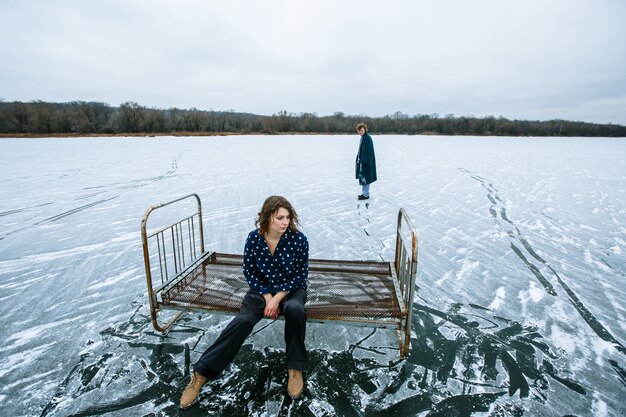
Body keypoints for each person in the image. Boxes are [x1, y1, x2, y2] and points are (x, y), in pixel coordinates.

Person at [179, 196, 310, 409]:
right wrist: (267, 296)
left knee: (295, 309)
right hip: (260, 290)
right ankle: (201, 373)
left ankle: (295, 369)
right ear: (267, 218)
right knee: (244, 320)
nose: (285, 222)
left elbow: (300, 274)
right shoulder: (254, 239)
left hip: (291, 289)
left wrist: (278, 298)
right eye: (280, 218)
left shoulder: (298, 239)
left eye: (287, 217)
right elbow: (249, 271)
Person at [355, 123, 377, 200]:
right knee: (363, 178)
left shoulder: (367, 138)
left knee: (366, 178)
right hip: (362, 161)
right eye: (359, 131)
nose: (360, 132)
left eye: (361, 130)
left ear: (365, 129)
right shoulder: (363, 137)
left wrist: (365, 161)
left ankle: (366, 194)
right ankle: (364, 193)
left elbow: (369, 151)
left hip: (366, 162)